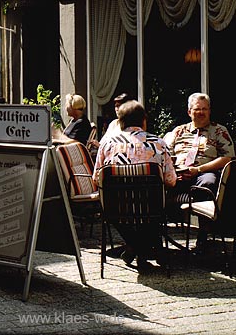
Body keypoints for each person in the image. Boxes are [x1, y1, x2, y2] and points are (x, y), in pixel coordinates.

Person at [93, 99, 176, 271]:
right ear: (144, 120)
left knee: (123, 210)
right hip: (152, 207)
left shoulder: (107, 145)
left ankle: (134, 246)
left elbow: (96, 178)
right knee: (152, 208)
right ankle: (143, 248)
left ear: (120, 122)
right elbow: (171, 181)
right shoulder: (158, 143)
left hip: (116, 208)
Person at [165, 92, 234, 247]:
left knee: (209, 181)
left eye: (205, 109)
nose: (201, 112)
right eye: (197, 109)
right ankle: (150, 241)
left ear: (209, 111)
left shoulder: (219, 131)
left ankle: (203, 233)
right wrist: (174, 172)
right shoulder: (178, 131)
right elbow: (164, 155)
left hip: (203, 174)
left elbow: (227, 158)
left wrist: (199, 169)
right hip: (177, 176)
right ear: (189, 112)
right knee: (153, 184)